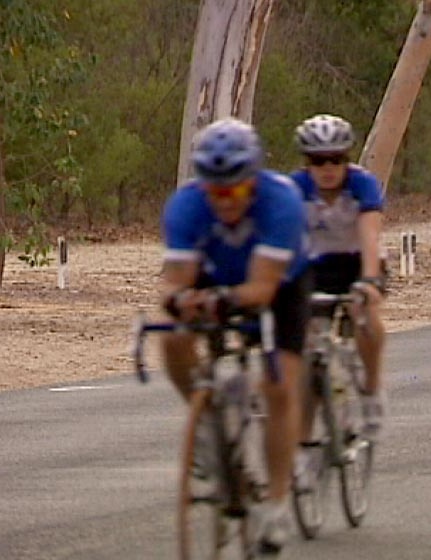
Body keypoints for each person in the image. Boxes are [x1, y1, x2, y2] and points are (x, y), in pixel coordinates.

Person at [159, 117, 309, 557]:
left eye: (236, 191)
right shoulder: (185, 206)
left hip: (281, 286)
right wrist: (177, 302)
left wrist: (220, 301)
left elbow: (261, 290)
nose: (225, 201)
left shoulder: (282, 201)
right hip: (215, 274)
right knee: (171, 337)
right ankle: (205, 420)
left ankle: (277, 503)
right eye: (216, 191)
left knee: (279, 386)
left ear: (253, 181)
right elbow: (176, 282)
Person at [290, 114, 387, 444]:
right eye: (319, 161)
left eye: (337, 159)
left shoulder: (362, 184)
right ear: (307, 164)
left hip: (357, 261)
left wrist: (370, 282)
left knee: (366, 319)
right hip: (315, 267)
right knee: (309, 351)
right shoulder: (294, 189)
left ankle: (371, 390)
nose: (328, 168)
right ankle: (304, 444)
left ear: (347, 159)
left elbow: (370, 236)